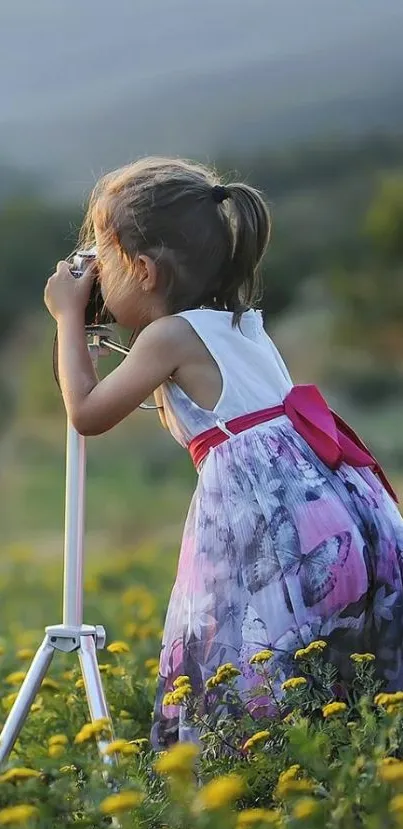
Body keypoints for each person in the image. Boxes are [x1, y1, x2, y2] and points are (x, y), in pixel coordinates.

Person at [44, 156, 403, 750]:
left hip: (269, 532)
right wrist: (95, 334)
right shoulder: (240, 324)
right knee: (328, 678)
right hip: (340, 517)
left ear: (141, 269)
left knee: (237, 658)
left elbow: (85, 413)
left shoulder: (168, 336)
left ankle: (246, 783)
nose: (95, 278)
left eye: (102, 261)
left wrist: (64, 318)